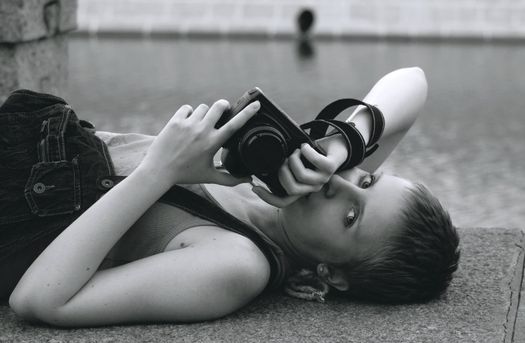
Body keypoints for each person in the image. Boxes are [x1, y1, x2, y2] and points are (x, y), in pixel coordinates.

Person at [3, 67, 459, 327]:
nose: (335, 185)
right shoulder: (315, 178)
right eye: (367, 181)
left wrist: (162, 170)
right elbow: (413, 82)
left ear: (328, 276)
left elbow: (40, 301)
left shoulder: (237, 264)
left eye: (350, 217)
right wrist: (345, 143)